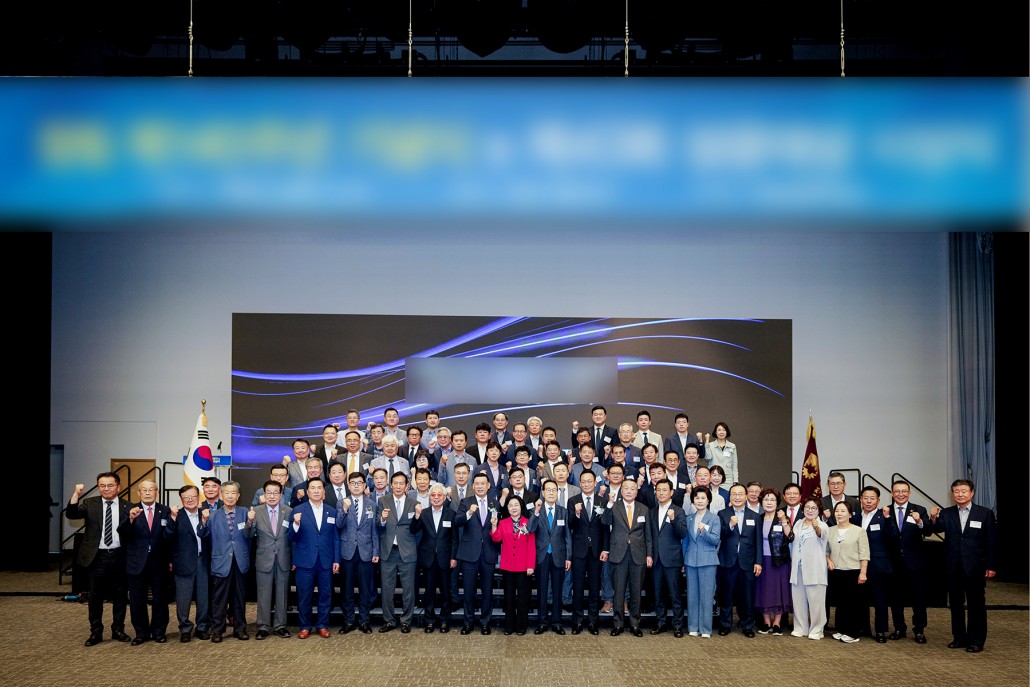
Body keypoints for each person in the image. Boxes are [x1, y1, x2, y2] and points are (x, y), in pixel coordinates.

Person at [929, 479, 997, 653]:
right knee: (956, 604)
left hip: (975, 566)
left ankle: (976, 640)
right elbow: (936, 529)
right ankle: (959, 637)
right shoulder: (947, 513)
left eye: (964, 491)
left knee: (976, 604)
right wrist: (934, 518)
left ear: (972, 493)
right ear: (952, 494)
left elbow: (991, 542)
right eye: (957, 491)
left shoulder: (985, 513)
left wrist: (991, 565)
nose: (960, 494)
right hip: (953, 566)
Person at [65, 472, 133, 646]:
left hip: (119, 556)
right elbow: (71, 514)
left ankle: (118, 629)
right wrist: (76, 494)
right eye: (102, 485)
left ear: (118, 487)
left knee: (120, 596)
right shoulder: (90, 503)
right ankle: (96, 631)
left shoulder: (128, 506)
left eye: (110, 485)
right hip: (97, 557)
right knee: (95, 596)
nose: (106, 489)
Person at [600, 480, 653, 636]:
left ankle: (635, 624)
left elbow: (648, 534)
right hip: (619, 554)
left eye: (632, 489)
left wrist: (649, 554)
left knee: (636, 592)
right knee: (619, 591)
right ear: (621, 491)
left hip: (638, 554)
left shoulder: (644, 509)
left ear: (637, 492)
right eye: (626, 488)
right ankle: (618, 624)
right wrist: (609, 503)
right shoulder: (614, 506)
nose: (629, 491)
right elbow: (604, 521)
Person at [289, 477, 340, 638]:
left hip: (325, 560)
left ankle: (322, 625)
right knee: (304, 595)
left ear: (324, 492)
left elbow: (335, 538)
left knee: (325, 594)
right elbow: (291, 537)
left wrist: (336, 559)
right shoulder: (298, 510)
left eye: (319, 488)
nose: (316, 491)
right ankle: (305, 626)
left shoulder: (331, 511)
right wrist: (296, 525)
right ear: (307, 492)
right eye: (313, 488)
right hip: (305, 560)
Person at [453, 473, 501, 634]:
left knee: (487, 590)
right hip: (469, 553)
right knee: (469, 590)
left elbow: (497, 528)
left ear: (488, 486)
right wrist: (469, 513)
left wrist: (495, 525)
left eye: (483, 483)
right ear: (473, 486)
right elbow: (457, 521)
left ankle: (485, 622)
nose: (480, 486)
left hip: (488, 552)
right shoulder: (465, 502)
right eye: (477, 484)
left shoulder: (495, 503)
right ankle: (468, 622)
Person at [124, 479, 171, 645]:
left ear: (156, 492)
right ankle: (141, 633)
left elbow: (169, 537)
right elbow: (122, 533)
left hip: (159, 561)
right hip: (137, 562)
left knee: (160, 599)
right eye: (144, 490)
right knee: (137, 599)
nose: (148, 492)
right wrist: (130, 519)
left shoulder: (165, 510)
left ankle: (159, 631)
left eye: (151, 490)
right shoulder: (130, 510)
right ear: (139, 493)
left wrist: (170, 560)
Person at [207, 480, 255, 642]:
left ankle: (240, 629)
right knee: (219, 599)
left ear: (238, 495)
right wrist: (203, 522)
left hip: (240, 561)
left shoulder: (245, 512)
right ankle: (217, 630)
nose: (230, 496)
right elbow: (205, 537)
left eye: (233, 493)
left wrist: (250, 522)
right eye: (226, 493)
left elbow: (249, 535)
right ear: (221, 495)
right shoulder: (213, 515)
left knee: (239, 598)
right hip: (221, 562)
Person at [886, 479, 931, 643]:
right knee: (895, 597)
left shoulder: (919, 510)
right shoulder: (886, 511)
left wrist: (919, 522)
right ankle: (899, 628)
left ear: (909, 493)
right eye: (897, 491)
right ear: (892, 494)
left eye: (904, 491)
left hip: (915, 562)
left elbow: (928, 531)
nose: (900, 494)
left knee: (918, 597)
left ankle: (919, 630)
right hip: (893, 562)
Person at [166, 485, 212, 642]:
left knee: (203, 598)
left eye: (193, 496)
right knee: (183, 599)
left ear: (199, 497)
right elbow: (167, 538)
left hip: (203, 561)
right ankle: (185, 628)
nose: (190, 499)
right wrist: (172, 518)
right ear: (181, 499)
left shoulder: (206, 514)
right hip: (183, 562)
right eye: (186, 497)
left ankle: (202, 627)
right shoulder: (175, 515)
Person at [851, 486, 896, 642]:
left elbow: (893, 537)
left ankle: (880, 631)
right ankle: (863, 628)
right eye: (865, 498)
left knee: (880, 599)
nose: (868, 501)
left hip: (878, 564)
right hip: (858, 563)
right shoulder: (856, 518)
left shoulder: (884, 516)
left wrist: (888, 518)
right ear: (861, 500)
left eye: (872, 498)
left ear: (878, 500)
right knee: (860, 598)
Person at [375, 471, 419, 633]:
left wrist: (417, 517)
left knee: (408, 589)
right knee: (387, 588)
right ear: (391, 485)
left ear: (407, 486)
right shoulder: (382, 501)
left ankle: (406, 621)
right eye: (395, 483)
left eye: (402, 483)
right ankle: (389, 620)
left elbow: (416, 529)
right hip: (388, 551)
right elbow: (377, 525)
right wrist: (382, 519)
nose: (398, 486)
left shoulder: (414, 503)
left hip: (407, 551)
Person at [336, 471, 380, 634]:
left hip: (365, 551)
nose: (356, 486)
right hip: (347, 551)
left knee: (365, 589)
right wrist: (344, 509)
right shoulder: (342, 502)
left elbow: (374, 530)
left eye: (359, 483)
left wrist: (376, 551)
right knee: (347, 589)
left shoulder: (371, 504)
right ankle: (348, 621)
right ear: (348, 485)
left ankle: (364, 620)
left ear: (364, 485)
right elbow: (338, 525)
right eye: (353, 483)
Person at [410, 483, 457, 633]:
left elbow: (454, 539)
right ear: (430, 497)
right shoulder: (423, 513)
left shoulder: (451, 514)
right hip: (428, 558)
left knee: (445, 592)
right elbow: (413, 530)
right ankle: (429, 621)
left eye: (439, 495)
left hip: (445, 559)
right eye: (433, 495)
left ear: (444, 497)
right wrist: (416, 517)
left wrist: (453, 557)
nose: (436, 498)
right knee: (429, 592)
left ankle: (444, 620)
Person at [717, 484, 762, 637]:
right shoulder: (723, 514)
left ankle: (747, 626)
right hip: (727, 561)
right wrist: (730, 525)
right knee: (726, 595)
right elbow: (719, 535)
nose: (737, 497)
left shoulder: (754, 516)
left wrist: (758, 562)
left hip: (747, 562)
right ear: (730, 497)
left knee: (747, 596)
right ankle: (725, 625)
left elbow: (758, 542)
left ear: (746, 496)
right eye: (734, 494)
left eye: (740, 494)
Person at [529, 480, 572, 634]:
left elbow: (567, 535)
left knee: (557, 590)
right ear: (543, 492)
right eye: (548, 490)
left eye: (554, 490)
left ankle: (557, 622)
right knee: (542, 590)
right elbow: (530, 529)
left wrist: (568, 556)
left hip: (559, 555)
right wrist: (535, 512)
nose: (551, 493)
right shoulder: (535, 510)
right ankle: (542, 622)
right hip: (541, 555)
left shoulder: (563, 511)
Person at [567, 470, 607, 635]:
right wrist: (576, 514)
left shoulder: (602, 501)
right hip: (579, 550)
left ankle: (592, 622)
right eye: (583, 481)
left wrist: (605, 548)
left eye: (589, 481)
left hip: (596, 551)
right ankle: (577, 622)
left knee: (594, 587)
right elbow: (570, 524)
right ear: (579, 483)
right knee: (577, 587)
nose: (586, 484)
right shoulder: (573, 501)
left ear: (595, 483)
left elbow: (605, 528)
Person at [252, 479, 292, 640]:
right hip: (264, 558)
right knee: (263, 594)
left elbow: (293, 536)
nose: (272, 496)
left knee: (282, 594)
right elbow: (248, 535)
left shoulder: (289, 511)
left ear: (281, 495)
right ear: (264, 494)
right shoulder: (256, 511)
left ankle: (280, 625)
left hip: (283, 558)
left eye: (276, 493)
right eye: (269, 492)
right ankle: (263, 626)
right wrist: (249, 521)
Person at [491, 495, 536, 635]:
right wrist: (494, 525)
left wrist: (531, 565)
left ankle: (521, 626)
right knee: (508, 598)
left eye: (516, 505)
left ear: (521, 507)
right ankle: (509, 626)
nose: (513, 508)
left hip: (524, 566)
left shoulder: (528, 522)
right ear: (507, 508)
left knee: (523, 598)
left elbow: (531, 545)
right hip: (508, 566)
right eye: (510, 505)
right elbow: (496, 538)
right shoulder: (503, 522)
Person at [826, 501, 869, 643]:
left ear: (850, 514)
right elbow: (826, 550)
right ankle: (841, 629)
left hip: (853, 571)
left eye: (843, 511)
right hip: (836, 571)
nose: (839, 514)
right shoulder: (830, 530)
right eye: (837, 511)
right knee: (840, 603)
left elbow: (864, 553)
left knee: (853, 603)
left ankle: (853, 633)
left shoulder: (859, 531)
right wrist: (828, 560)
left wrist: (863, 572)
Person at [650, 478, 688, 636]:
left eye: (664, 490)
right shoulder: (652, 511)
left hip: (672, 559)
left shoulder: (678, 511)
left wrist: (673, 520)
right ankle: (661, 623)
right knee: (658, 594)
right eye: (658, 490)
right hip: (656, 559)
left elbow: (682, 533)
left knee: (675, 594)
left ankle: (678, 625)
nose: (661, 493)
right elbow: (650, 536)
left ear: (671, 492)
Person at [683, 485, 721, 637]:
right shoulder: (689, 518)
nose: (699, 501)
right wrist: (683, 561)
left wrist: (703, 531)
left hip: (708, 561)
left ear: (708, 500)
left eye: (703, 498)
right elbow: (686, 541)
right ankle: (693, 627)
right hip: (691, 560)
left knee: (706, 596)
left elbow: (716, 540)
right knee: (692, 595)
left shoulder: (714, 518)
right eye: (697, 498)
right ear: (693, 500)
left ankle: (705, 629)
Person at [754, 488, 793, 636]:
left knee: (778, 591)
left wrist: (784, 521)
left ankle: (777, 623)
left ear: (777, 503)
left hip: (779, 561)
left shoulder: (782, 517)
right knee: (764, 590)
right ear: (761, 502)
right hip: (762, 560)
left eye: (772, 500)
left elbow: (790, 537)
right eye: (766, 500)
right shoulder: (759, 518)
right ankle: (766, 622)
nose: (769, 503)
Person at [790, 497, 829, 640]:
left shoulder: (822, 525)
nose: (810, 510)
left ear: (819, 510)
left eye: (814, 508)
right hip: (798, 568)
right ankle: (801, 628)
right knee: (798, 600)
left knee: (816, 602)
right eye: (807, 507)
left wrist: (816, 527)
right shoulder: (798, 523)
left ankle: (817, 630)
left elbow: (821, 534)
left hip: (815, 569)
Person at [704, 422, 738, 486]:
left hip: (728, 479)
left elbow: (734, 464)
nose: (721, 432)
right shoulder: (710, 445)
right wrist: (707, 442)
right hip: (713, 478)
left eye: (724, 430)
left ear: (727, 432)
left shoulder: (732, 446)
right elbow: (708, 457)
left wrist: (735, 480)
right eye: (719, 430)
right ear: (716, 432)